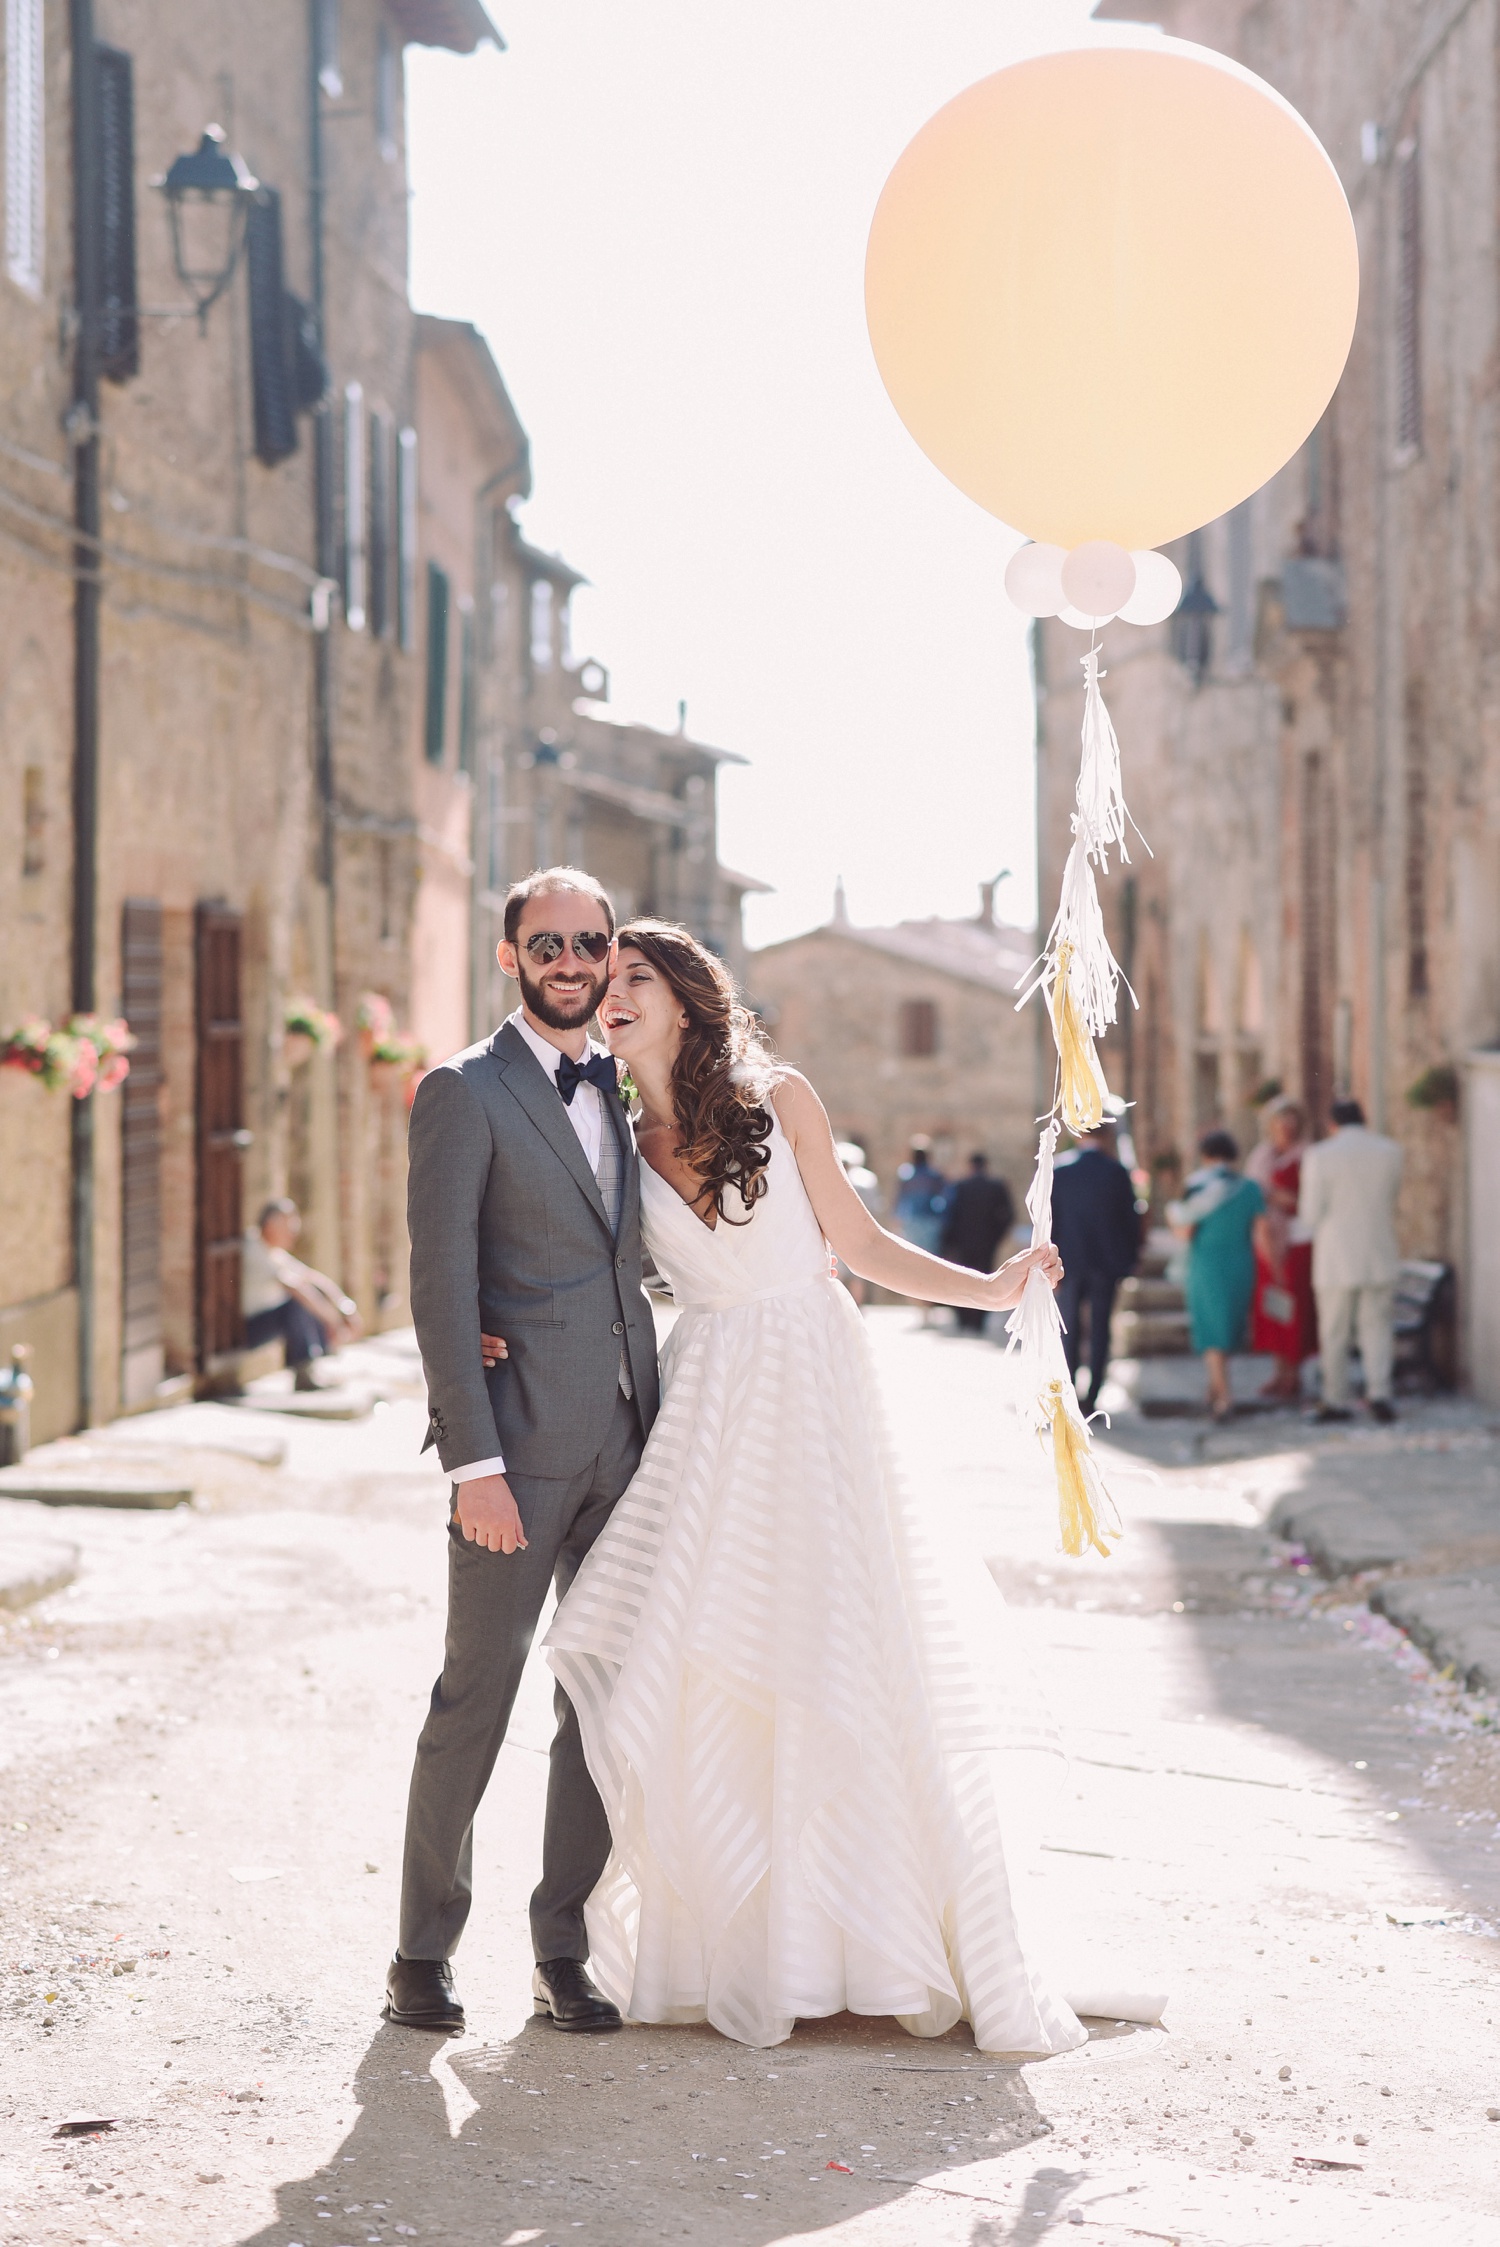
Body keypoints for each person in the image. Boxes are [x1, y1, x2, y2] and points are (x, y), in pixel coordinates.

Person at [515, 918, 1106, 2060]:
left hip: (814, 1381)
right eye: (611, 981)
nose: (618, 994)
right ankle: (746, 1944)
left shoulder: (779, 1096)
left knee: (842, 1642)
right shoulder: (612, 1133)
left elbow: (864, 1244)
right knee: (702, 1651)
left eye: (641, 978)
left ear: (688, 998)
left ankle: (870, 1937)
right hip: (706, 1399)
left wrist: (992, 1291)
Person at [386, 867, 662, 2039]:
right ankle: (420, 1952)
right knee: (477, 1694)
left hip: (633, 1444)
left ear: (609, 953)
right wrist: (473, 1463)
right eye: (545, 941)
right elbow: (442, 1285)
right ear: (511, 956)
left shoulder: (631, 1090)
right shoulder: (464, 1089)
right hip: (515, 1452)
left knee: (598, 1701)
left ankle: (564, 1951)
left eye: (588, 941)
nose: (568, 959)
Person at [1298, 1097, 1404, 1425]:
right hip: (1378, 1251)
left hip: (1336, 1257)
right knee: (1377, 1328)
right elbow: (1391, 1197)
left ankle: (1336, 1399)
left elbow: (1310, 1213)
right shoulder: (1390, 1152)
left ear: (1333, 1124)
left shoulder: (1320, 1156)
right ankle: (1379, 1393)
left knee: (1334, 1332)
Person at [1167, 1129, 1265, 1423]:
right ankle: (1215, 1388)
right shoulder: (1250, 1188)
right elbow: (1261, 1234)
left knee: (1211, 1331)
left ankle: (1224, 1398)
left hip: (1207, 1265)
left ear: (1205, 1156)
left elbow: (1185, 1232)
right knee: (1229, 1327)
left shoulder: (1196, 1188)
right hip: (1240, 1264)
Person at [1050, 1124, 1139, 1413]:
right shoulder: (1116, 1171)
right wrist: (1128, 1261)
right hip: (1106, 1262)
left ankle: (1070, 1392)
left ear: (1078, 1135)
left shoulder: (1060, 1171)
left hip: (1068, 1262)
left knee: (1069, 1329)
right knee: (1101, 1328)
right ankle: (1093, 1397)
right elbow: (1130, 1221)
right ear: (1107, 1136)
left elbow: (1050, 1221)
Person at [241, 1198, 361, 1389]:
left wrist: (345, 1307)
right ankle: (305, 1373)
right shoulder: (253, 1247)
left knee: (310, 1298)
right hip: (244, 1330)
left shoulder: (274, 1252)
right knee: (297, 1304)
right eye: (289, 1228)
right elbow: (294, 1287)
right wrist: (333, 1321)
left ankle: (316, 1366)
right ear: (272, 1225)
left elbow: (311, 1277)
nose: (293, 1234)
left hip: (263, 1321)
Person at [1246, 1098, 1317, 1401]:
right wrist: (1273, 1199)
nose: (1286, 1129)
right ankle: (1278, 1371)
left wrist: (1291, 1201)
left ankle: (1295, 1373)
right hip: (1267, 1237)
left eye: (1292, 1123)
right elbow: (1253, 1194)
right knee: (1271, 1305)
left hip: (1298, 1239)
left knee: (1295, 1304)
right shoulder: (1261, 1157)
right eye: (1281, 1122)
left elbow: (1313, 1198)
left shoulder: (1309, 1156)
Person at [938, 1152, 1016, 1333]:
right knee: (986, 1275)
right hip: (987, 1241)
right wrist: (997, 1236)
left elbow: (949, 1214)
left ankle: (964, 1317)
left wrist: (950, 1240)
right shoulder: (996, 1187)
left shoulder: (960, 1186)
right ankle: (978, 1319)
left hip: (963, 1241)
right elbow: (1008, 1215)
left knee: (963, 1276)